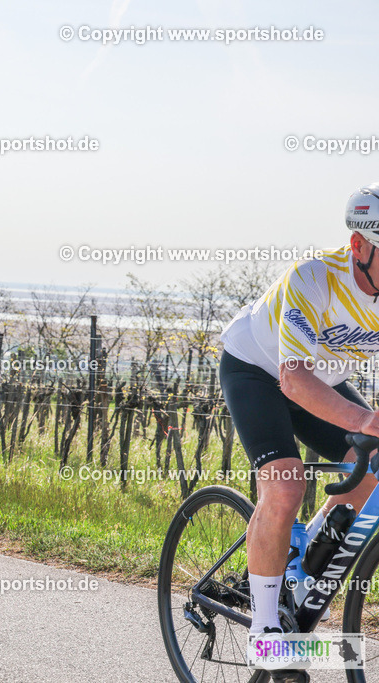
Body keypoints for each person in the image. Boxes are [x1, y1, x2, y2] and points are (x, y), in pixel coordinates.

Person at [219, 185, 379, 657]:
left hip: (320, 381)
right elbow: (293, 380)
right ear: (358, 246)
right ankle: (264, 633)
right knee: (285, 487)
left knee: (371, 466)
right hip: (259, 371)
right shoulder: (314, 277)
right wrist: (366, 419)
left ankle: (301, 557)